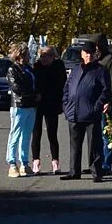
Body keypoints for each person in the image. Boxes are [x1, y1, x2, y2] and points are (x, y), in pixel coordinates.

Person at [61, 41, 110, 183]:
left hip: (91, 113)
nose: (88, 56)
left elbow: (106, 91)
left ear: (95, 54)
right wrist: (66, 104)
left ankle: (96, 172)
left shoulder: (100, 70)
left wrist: (97, 106)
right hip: (73, 113)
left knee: (94, 145)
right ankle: (74, 171)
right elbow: (67, 88)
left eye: (91, 53)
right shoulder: (76, 70)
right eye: (86, 53)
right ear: (82, 54)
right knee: (74, 145)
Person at [32, 46, 67, 174]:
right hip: (38, 104)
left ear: (53, 56)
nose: (44, 59)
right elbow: (33, 84)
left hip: (52, 104)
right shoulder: (36, 66)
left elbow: (62, 84)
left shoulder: (58, 66)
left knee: (52, 134)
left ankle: (55, 161)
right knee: (36, 134)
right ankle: (36, 161)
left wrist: (60, 102)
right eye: (42, 56)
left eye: (46, 56)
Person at [5, 44, 38, 178]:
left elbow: (35, 83)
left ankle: (24, 163)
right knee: (15, 134)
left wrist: (36, 94)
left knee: (26, 135)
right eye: (27, 54)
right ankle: (12, 163)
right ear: (20, 55)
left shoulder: (29, 69)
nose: (29, 56)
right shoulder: (12, 70)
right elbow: (16, 88)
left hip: (31, 105)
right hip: (19, 105)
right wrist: (32, 94)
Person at [96, 34, 112, 175]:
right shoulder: (97, 59)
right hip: (94, 102)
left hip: (105, 102)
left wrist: (109, 101)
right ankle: (97, 162)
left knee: (106, 134)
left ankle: (106, 164)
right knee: (96, 135)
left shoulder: (110, 60)